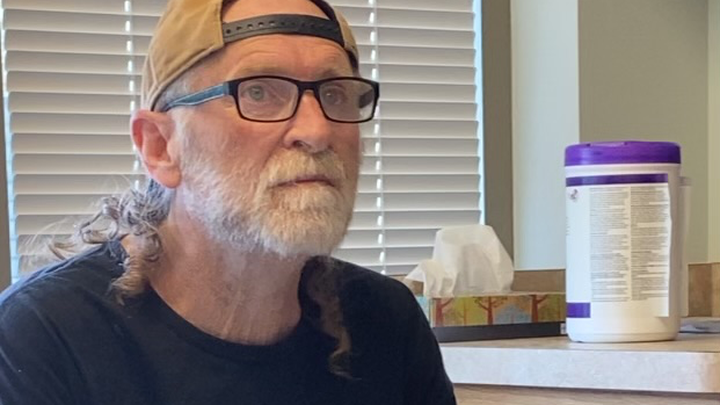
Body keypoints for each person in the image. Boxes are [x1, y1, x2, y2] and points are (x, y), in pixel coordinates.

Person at [0, 0, 456, 403]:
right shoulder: (41, 339)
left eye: (335, 94)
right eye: (258, 92)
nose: (317, 132)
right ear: (160, 146)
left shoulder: (386, 322)